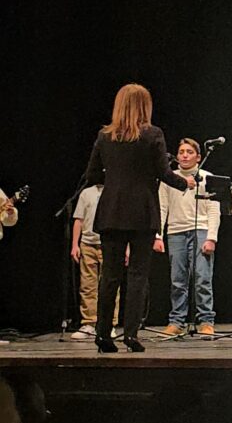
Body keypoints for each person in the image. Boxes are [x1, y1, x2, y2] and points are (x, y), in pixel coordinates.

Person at [83, 83, 195, 353]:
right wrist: (186, 182)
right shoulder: (152, 134)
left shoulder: (104, 136)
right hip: (142, 211)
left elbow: (92, 175)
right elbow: (164, 173)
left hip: (111, 211)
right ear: (145, 106)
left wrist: (115, 179)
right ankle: (131, 334)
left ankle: (103, 334)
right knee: (137, 275)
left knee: (109, 276)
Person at [158, 138, 222, 338]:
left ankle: (206, 321)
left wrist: (211, 237)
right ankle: (177, 321)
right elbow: (162, 207)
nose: (185, 155)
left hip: (201, 230)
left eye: (189, 152)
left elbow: (214, 210)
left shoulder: (207, 177)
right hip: (176, 232)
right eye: (181, 152)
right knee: (178, 280)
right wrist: (158, 235)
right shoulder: (169, 178)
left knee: (203, 278)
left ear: (198, 157)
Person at [70, 183, 121, 341]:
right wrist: (75, 245)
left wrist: (126, 248)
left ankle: (109, 324)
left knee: (110, 285)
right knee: (87, 285)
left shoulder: (116, 190)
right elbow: (79, 219)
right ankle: (89, 323)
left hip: (109, 243)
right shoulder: (86, 193)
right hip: (88, 243)